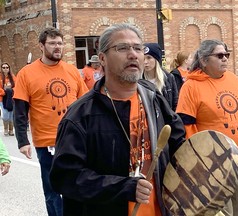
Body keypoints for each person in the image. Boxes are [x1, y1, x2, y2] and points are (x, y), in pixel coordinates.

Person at [49, 23, 186, 216]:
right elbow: (65, 177)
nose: (133, 54)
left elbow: (179, 144)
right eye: (122, 48)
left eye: (138, 48)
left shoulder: (154, 99)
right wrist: (123, 187)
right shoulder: (80, 115)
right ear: (102, 58)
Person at [176, 39, 238, 216]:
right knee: (221, 211)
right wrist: (199, 161)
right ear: (204, 60)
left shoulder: (233, 79)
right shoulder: (191, 87)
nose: (225, 59)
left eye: (226, 55)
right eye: (220, 55)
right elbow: (186, 126)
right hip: (215, 164)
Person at [13, 27, 88, 216]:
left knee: (76, 185)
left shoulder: (71, 71)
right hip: (46, 140)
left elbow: (86, 104)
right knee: (52, 189)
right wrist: (22, 140)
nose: (58, 47)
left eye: (60, 43)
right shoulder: (26, 73)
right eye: (53, 43)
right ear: (41, 46)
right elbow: (20, 109)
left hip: (75, 139)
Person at [143, 43, 178, 111]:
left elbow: (175, 103)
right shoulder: (139, 79)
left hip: (165, 119)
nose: (145, 62)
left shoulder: (169, 78)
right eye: (143, 58)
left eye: (149, 58)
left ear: (156, 59)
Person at [0, 62, 16, 136]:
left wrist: (12, 90)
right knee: (5, 114)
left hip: (11, 98)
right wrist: (4, 91)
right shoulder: (0, 77)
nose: (5, 69)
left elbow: (17, 86)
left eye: (7, 67)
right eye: (4, 67)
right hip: (3, 98)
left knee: (11, 114)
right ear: (1, 69)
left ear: (9, 68)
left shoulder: (12, 77)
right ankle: (6, 128)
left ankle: (11, 130)